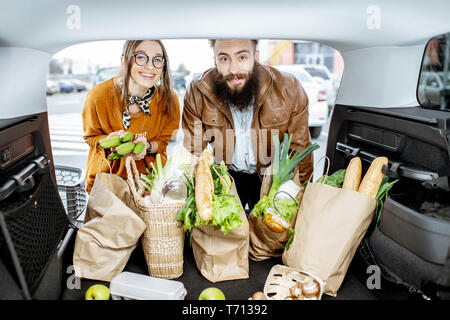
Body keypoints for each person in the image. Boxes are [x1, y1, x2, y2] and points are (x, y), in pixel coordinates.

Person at [182, 39, 314, 213]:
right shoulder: (198, 90)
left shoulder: (288, 88)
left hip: (271, 179)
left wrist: (302, 202)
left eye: (242, 57)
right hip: (226, 177)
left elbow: (301, 151)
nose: (234, 70)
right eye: (224, 59)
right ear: (215, 60)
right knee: (227, 235)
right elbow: (193, 153)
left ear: (256, 56)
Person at [82, 40, 180, 194]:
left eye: (157, 59)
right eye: (141, 57)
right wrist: (109, 142)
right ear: (124, 61)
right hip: (107, 187)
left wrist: (146, 147)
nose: (150, 66)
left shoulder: (169, 100)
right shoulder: (98, 96)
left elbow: (163, 142)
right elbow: (90, 137)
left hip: (149, 188)